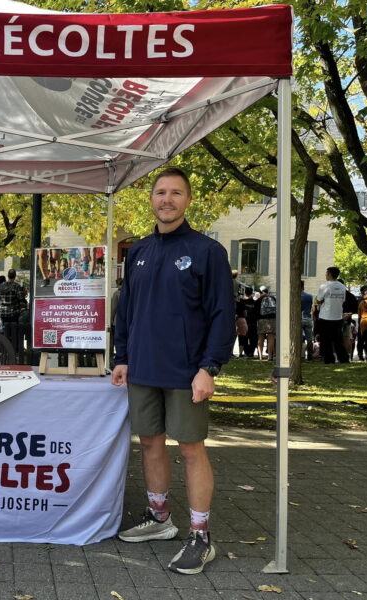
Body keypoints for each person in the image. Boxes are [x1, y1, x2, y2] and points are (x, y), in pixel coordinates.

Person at [111, 167, 234, 575]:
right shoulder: (138, 252)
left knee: (191, 448)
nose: (167, 199)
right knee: (150, 443)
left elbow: (222, 314)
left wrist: (209, 367)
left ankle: (201, 536)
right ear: (151, 198)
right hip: (143, 367)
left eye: (176, 193)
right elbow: (126, 311)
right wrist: (122, 357)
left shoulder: (207, 251)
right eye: (160, 192)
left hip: (187, 371)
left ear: (188, 200)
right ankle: (160, 518)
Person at [315, 266, 349, 364]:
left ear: (330, 274)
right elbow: (343, 300)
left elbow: (318, 300)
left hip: (326, 316)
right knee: (338, 340)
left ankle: (329, 360)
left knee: (326, 340)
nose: (325, 275)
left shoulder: (324, 286)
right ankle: (343, 359)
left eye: (326, 273)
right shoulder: (342, 286)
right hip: (338, 316)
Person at [0, 268, 25, 333]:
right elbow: (21, 298)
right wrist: (24, 293)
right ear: (15, 276)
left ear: (8, 276)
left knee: (4, 330)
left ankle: (5, 339)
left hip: (3, 312)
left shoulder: (1, 286)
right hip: (13, 313)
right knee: (13, 331)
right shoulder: (16, 286)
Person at [255, 286, 276, 360]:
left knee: (260, 338)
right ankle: (270, 356)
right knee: (271, 338)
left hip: (261, 320)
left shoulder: (259, 299)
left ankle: (260, 356)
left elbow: (255, 311)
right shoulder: (273, 298)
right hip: (272, 320)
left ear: (260, 292)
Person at [299, 281, 315, 360]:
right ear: (303, 287)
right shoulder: (309, 296)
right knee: (309, 339)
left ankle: (300, 355)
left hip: (299, 319)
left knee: (299, 338)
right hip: (308, 318)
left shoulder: (294, 296)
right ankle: (309, 355)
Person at [358, 286, 367, 362]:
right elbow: (359, 315)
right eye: (362, 293)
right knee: (365, 341)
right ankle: (366, 357)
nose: (363, 294)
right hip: (364, 323)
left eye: (365, 293)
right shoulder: (361, 303)